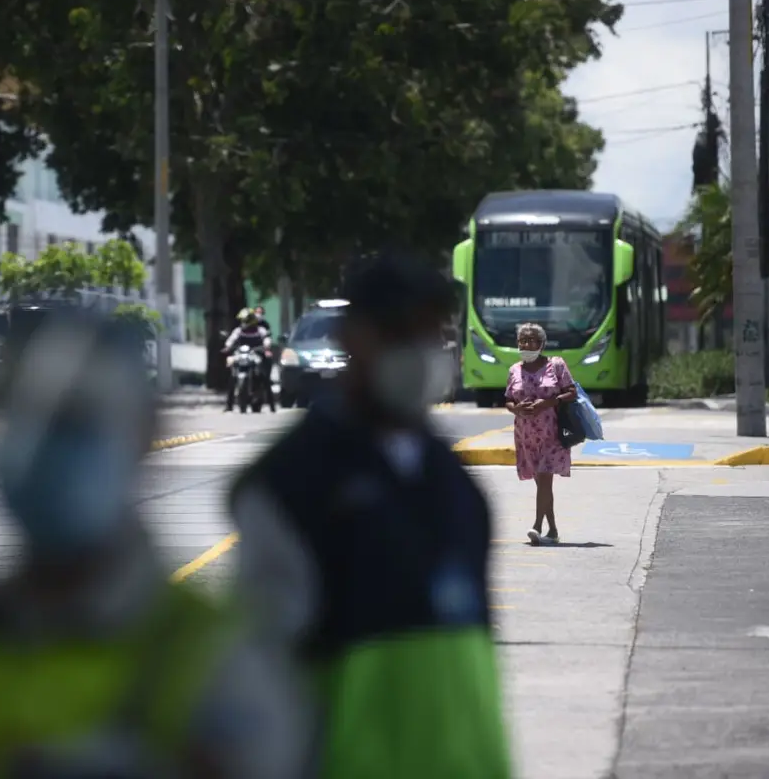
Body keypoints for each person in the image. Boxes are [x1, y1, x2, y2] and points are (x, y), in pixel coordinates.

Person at [0, 312, 308, 779]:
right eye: (16, 416)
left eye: (73, 419)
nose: (40, 446)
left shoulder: (209, 650)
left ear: (142, 437)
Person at [228, 254, 511, 778]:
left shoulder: (453, 481)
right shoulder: (291, 484)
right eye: (404, 333)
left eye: (434, 336)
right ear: (352, 339)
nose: (424, 354)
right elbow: (258, 676)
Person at [504, 321, 577, 546]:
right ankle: (553, 530)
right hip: (526, 434)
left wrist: (548, 403)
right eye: (522, 340)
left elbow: (571, 392)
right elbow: (508, 399)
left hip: (552, 433)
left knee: (545, 478)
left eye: (531, 340)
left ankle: (536, 526)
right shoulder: (514, 370)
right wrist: (516, 409)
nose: (526, 344)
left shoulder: (556, 365)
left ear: (542, 344)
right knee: (542, 483)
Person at [223, 311, 275, 412]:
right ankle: (229, 405)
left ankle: (271, 405)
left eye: (246, 320)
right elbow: (231, 339)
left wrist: (266, 345)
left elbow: (267, 339)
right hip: (240, 354)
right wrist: (228, 346)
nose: (244, 323)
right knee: (232, 378)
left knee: (264, 378)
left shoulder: (260, 330)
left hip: (255, 354)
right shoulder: (238, 331)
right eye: (242, 320)